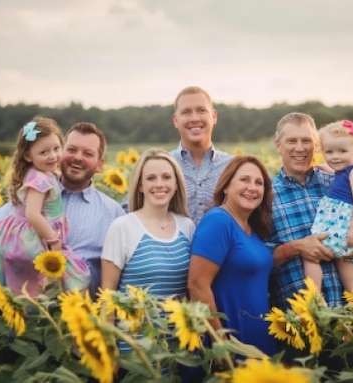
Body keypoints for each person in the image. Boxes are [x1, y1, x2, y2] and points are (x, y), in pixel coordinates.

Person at [0, 122, 125, 300]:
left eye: (88, 153)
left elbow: (122, 273)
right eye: (72, 149)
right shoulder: (32, 195)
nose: (78, 157)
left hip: (77, 318)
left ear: (100, 165)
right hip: (25, 310)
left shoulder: (113, 214)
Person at [267, 112, 353, 311]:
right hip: (298, 320)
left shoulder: (341, 181)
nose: (299, 148)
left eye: (306, 141)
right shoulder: (265, 196)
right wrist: (295, 248)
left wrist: (340, 249)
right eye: (291, 141)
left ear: (316, 145)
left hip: (349, 317)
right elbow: (255, 257)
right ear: (278, 145)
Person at [100, 148, 194, 356]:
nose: (159, 184)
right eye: (151, 178)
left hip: (178, 351)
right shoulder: (123, 227)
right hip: (134, 353)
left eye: (166, 177)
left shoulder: (187, 227)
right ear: (140, 186)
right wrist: (109, 348)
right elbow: (107, 295)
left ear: (176, 183)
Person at [187, 154, 277, 359]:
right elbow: (197, 285)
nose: (252, 187)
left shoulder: (250, 229)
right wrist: (221, 344)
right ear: (226, 186)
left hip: (257, 343)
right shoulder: (219, 221)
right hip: (231, 344)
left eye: (259, 183)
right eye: (244, 180)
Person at [306, 120, 353, 295]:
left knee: (310, 255)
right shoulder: (346, 171)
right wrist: (320, 166)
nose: (335, 157)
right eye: (329, 152)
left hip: (345, 227)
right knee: (348, 275)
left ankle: (314, 296)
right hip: (342, 226)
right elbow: (335, 172)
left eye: (342, 151)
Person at [170, 86, 233, 225]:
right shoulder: (163, 165)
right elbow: (131, 210)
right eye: (186, 112)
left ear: (214, 116)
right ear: (175, 120)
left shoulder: (232, 166)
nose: (194, 118)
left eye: (201, 110)